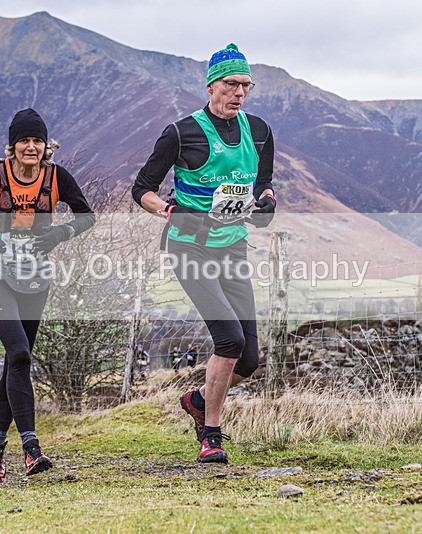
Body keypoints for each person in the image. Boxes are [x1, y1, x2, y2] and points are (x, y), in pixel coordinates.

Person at [132, 44, 276, 463]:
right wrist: (168, 208)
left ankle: (197, 398)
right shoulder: (182, 133)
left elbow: (263, 184)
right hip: (189, 247)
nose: (239, 93)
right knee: (228, 339)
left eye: (246, 86)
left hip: (231, 247)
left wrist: (266, 200)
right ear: (212, 85)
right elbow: (141, 188)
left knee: (247, 360)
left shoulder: (260, 130)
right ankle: (210, 434)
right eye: (231, 84)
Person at [0, 108, 95, 484]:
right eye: (24, 141)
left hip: (35, 276)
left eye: (37, 140)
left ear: (46, 146)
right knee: (20, 353)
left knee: (19, 362)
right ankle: (31, 448)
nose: (31, 147)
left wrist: (58, 234)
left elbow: (86, 215)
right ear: (12, 145)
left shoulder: (56, 177)